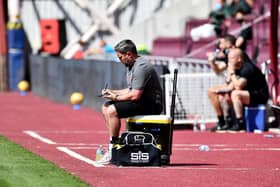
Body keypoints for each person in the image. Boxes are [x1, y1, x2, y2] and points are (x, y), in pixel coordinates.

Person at [98, 39, 163, 164]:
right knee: (105, 107)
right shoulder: (131, 65)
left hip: (152, 105)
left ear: (129, 54)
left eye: (120, 57)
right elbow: (130, 90)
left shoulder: (141, 67)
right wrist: (112, 92)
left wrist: (115, 98)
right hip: (141, 101)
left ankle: (114, 148)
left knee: (112, 110)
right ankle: (113, 143)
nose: (119, 60)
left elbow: (135, 95)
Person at [217, 48, 269, 131]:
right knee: (223, 95)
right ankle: (228, 122)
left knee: (235, 94)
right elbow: (230, 86)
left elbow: (238, 86)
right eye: (228, 58)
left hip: (259, 95)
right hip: (247, 94)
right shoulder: (236, 68)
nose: (229, 61)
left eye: (231, 58)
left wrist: (231, 72)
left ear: (239, 59)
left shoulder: (248, 67)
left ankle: (240, 123)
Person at [207, 34, 236, 131]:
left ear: (228, 44)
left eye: (222, 43)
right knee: (212, 91)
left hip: (237, 83)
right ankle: (222, 121)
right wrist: (212, 62)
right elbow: (218, 70)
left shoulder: (235, 54)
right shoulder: (227, 56)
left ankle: (226, 121)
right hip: (230, 83)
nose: (220, 46)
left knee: (221, 95)